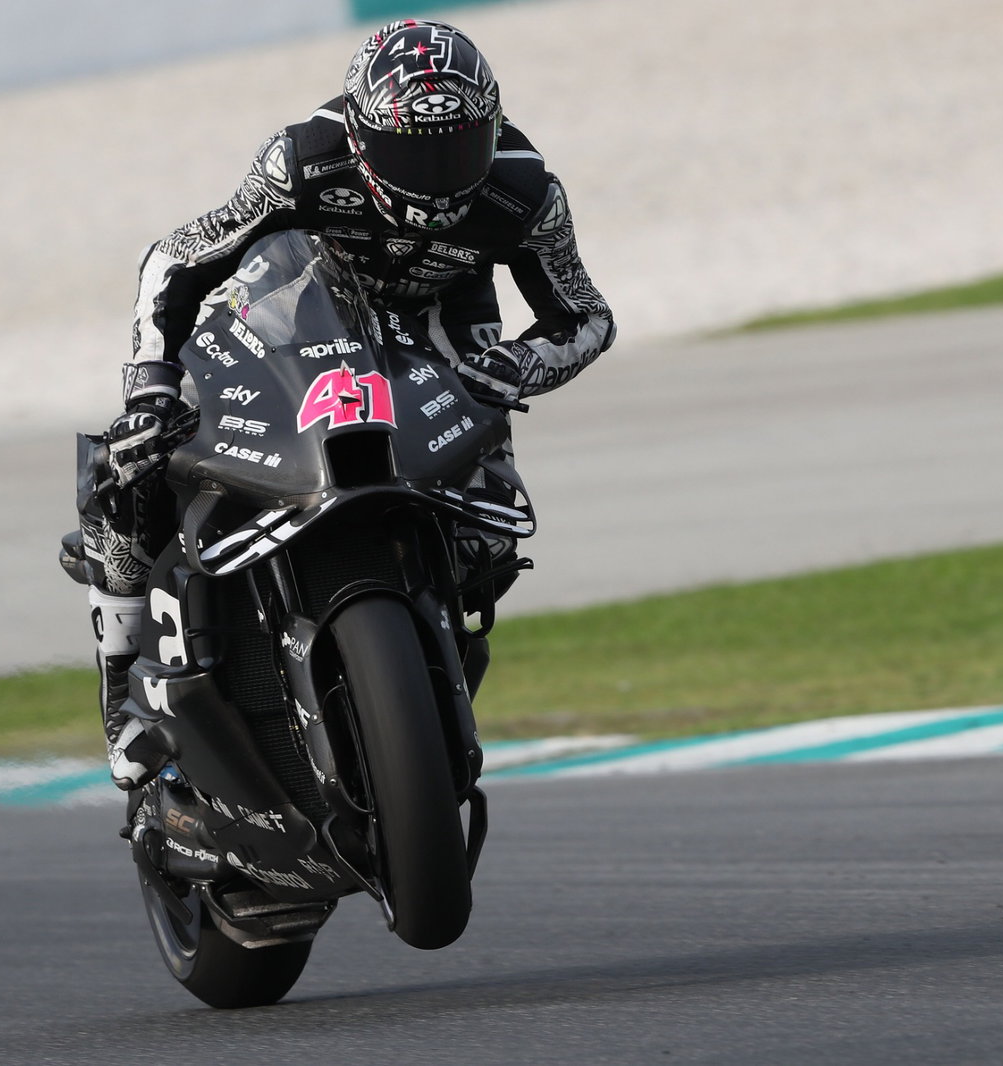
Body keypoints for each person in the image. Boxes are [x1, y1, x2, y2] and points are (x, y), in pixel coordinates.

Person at [80, 17, 615, 790]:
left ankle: (425, 685)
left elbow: (586, 314)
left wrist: (520, 365)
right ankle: (121, 699)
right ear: (364, 136)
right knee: (123, 468)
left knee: (490, 537)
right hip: (294, 320)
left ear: (491, 128)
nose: (433, 172)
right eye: (410, 150)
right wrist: (152, 387)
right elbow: (177, 259)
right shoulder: (302, 159)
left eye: (456, 146)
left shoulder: (525, 190)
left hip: (441, 342)